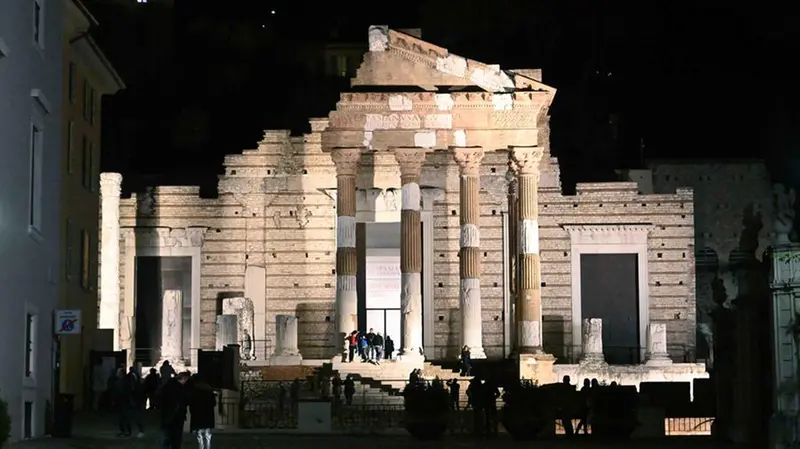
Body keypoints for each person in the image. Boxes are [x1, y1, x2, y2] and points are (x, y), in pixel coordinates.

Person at [156, 371, 190, 449]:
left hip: (169, 415)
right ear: (183, 379)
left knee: (168, 437)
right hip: (176, 415)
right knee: (175, 437)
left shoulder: (168, 386)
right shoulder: (179, 388)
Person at [188, 374, 216, 449]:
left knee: (200, 434)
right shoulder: (209, 390)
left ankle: (201, 448)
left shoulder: (194, 391)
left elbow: (192, 404)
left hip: (198, 415)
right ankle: (208, 447)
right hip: (208, 415)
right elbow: (213, 403)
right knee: (208, 435)